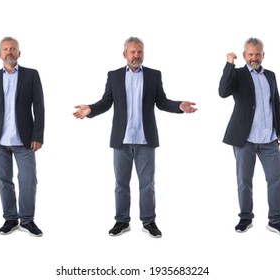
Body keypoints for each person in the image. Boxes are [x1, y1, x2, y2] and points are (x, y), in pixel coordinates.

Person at [73, 37, 197, 238]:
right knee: (121, 184)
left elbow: (161, 101)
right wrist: (90, 109)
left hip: (145, 140)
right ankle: (121, 221)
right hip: (121, 140)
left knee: (147, 185)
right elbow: (106, 102)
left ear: (143, 54)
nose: (136, 55)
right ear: (125, 54)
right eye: (133, 52)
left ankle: (149, 221)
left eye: (140, 52)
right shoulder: (113, 76)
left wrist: (179, 107)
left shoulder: (153, 75)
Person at [218, 38, 280, 237]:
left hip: (269, 139)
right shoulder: (238, 74)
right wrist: (229, 64)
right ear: (244, 56)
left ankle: (276, 220)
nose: (254, 58)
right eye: (250, 54)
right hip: (245, 139)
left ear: (263, 55)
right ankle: (245, 217)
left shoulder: (271, 75)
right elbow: (223, 92)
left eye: (257, 54)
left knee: (276, 178)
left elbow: (276, 103)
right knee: (244, 180)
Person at [0, 37, 45, 237]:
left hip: (25, 140)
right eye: (5, 49)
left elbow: (40, 107)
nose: (9, 52)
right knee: (4, 181)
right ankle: (10, 218)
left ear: (19, 53)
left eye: (13, 49)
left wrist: (38, 135)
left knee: (28, 180)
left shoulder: (31, 75)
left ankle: (27, 220)